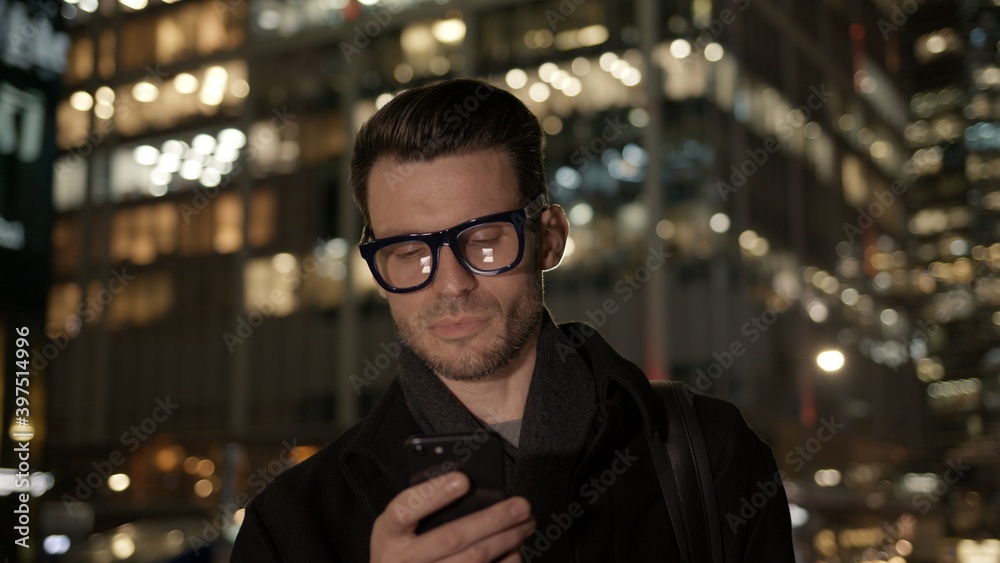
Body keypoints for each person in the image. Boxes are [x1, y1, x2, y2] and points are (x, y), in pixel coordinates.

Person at [231, 78, 795, 562]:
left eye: (483, 240)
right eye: (409, 252)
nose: (451, 284)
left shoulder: (710, 452)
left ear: (549, 237)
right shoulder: (288, 523)